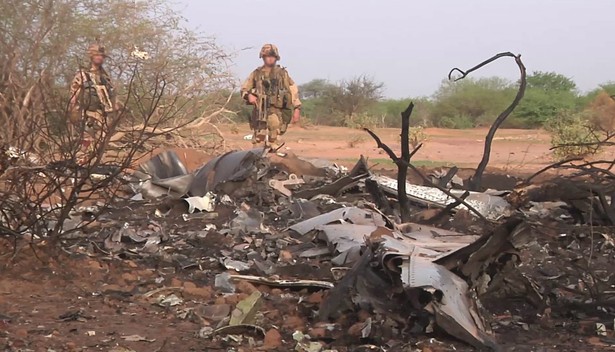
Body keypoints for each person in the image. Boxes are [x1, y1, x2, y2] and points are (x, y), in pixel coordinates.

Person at [240, 44, 301, 149]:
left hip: (277, 112)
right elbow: (244, 89)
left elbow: (293, 90)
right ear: (263, 57)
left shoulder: (283, 74)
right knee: (258, 141)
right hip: (260, 112)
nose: (270, 58)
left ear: (276, 57)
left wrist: (297, 108)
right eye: (267, 56)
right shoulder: (256, 74)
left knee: (275, 141)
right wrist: (249, 95)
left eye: (272, 56)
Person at [69, 43, 116, 160]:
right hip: (88, 115)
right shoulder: (83, 75)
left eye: (102, 56)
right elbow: (74, 95)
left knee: (101, 147)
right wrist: (74, 112)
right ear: (91, 56)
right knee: (85, 145)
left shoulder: (106, 78)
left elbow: (112, 97)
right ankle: (78, 171)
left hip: (104, 117)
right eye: (97, 55)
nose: (100, 58)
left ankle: (96, 169)